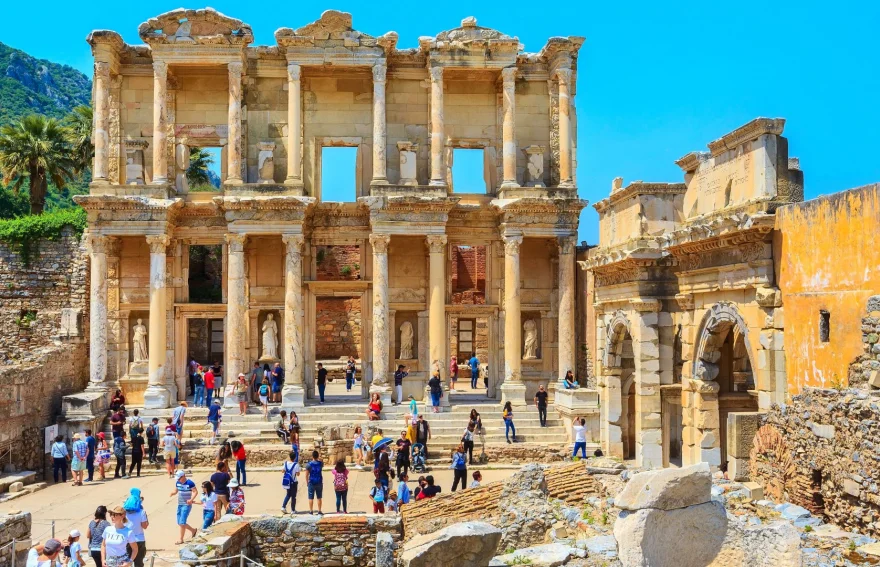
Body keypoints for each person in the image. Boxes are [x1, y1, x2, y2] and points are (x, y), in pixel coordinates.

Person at [122, 488, 148, 567]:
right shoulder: (141, 512)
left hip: (126, 540)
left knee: (125, 563)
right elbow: (145, 526)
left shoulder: (124, 512)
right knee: (139, 563)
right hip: (139, 539)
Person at [170, 471, 198, 544]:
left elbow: (195, 492)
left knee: (182, 523)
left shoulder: (190, 483)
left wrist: (191, 499)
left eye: (179, 478)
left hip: (186, 505)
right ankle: (193, 530)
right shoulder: (178, 482)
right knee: (179, 522)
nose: (178, 480)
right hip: (180, 504)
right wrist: (173, 493)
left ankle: (181, 539)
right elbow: (176, 491)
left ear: (183, 476)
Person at [281, 450, 300, 514]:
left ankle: (283, 506)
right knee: (293, 496)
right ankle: (293, 510)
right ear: (294, 457)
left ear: (289, 457)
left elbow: (283, 471)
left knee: (288, 494)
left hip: (287, 481)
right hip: (294, 482)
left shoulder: (286, 463)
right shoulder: (296, 465)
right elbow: (298, 474)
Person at [306, 450, 324, 515]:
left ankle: (311, 511)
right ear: (318, 456)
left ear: (312, 456)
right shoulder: (320, 463)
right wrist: (319, 458)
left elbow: (306, 474)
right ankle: (319, 511)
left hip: (311, 482)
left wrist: (307, 482)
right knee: (319, 497)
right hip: (319, 481)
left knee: (311, 497)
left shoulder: (309, 465)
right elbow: (322, 462)